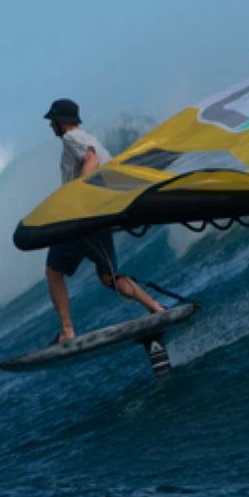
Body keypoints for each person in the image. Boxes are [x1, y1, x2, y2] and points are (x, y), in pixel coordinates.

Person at [42, 98, 164, 343]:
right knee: (109, 277)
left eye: (52, 121)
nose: (50, 126)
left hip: (81, 219)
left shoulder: (71, 139)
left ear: (60, 121)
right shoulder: (90, 138)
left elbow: (92, 161)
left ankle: (67, 330)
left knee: (53, 272)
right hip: (98, 216)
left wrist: (77, 195)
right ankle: (156, 308)